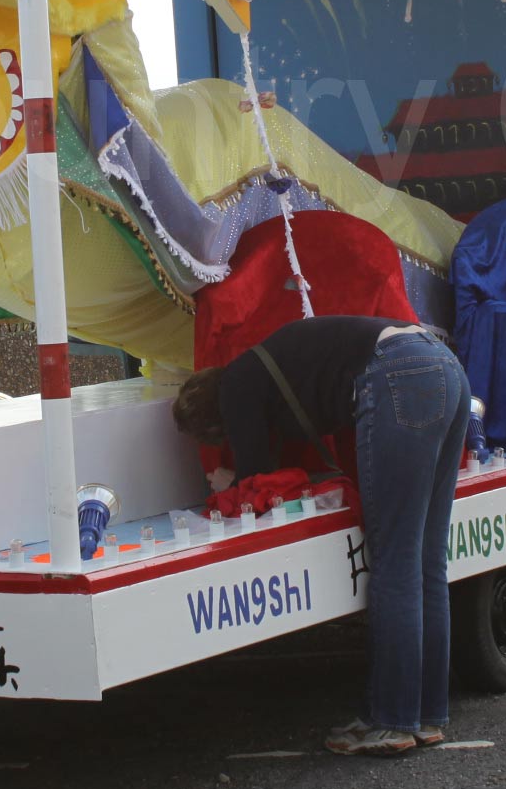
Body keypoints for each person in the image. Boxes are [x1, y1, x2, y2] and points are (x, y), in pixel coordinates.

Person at [172, 315, 470, 756]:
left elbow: (256, 482)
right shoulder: (270, 365)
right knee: (427, 559)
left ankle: (391, 721)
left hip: (397, 372)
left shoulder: (236, 386)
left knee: (395, 561)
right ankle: (425, 715)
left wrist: (225, 481)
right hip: (444, 365)